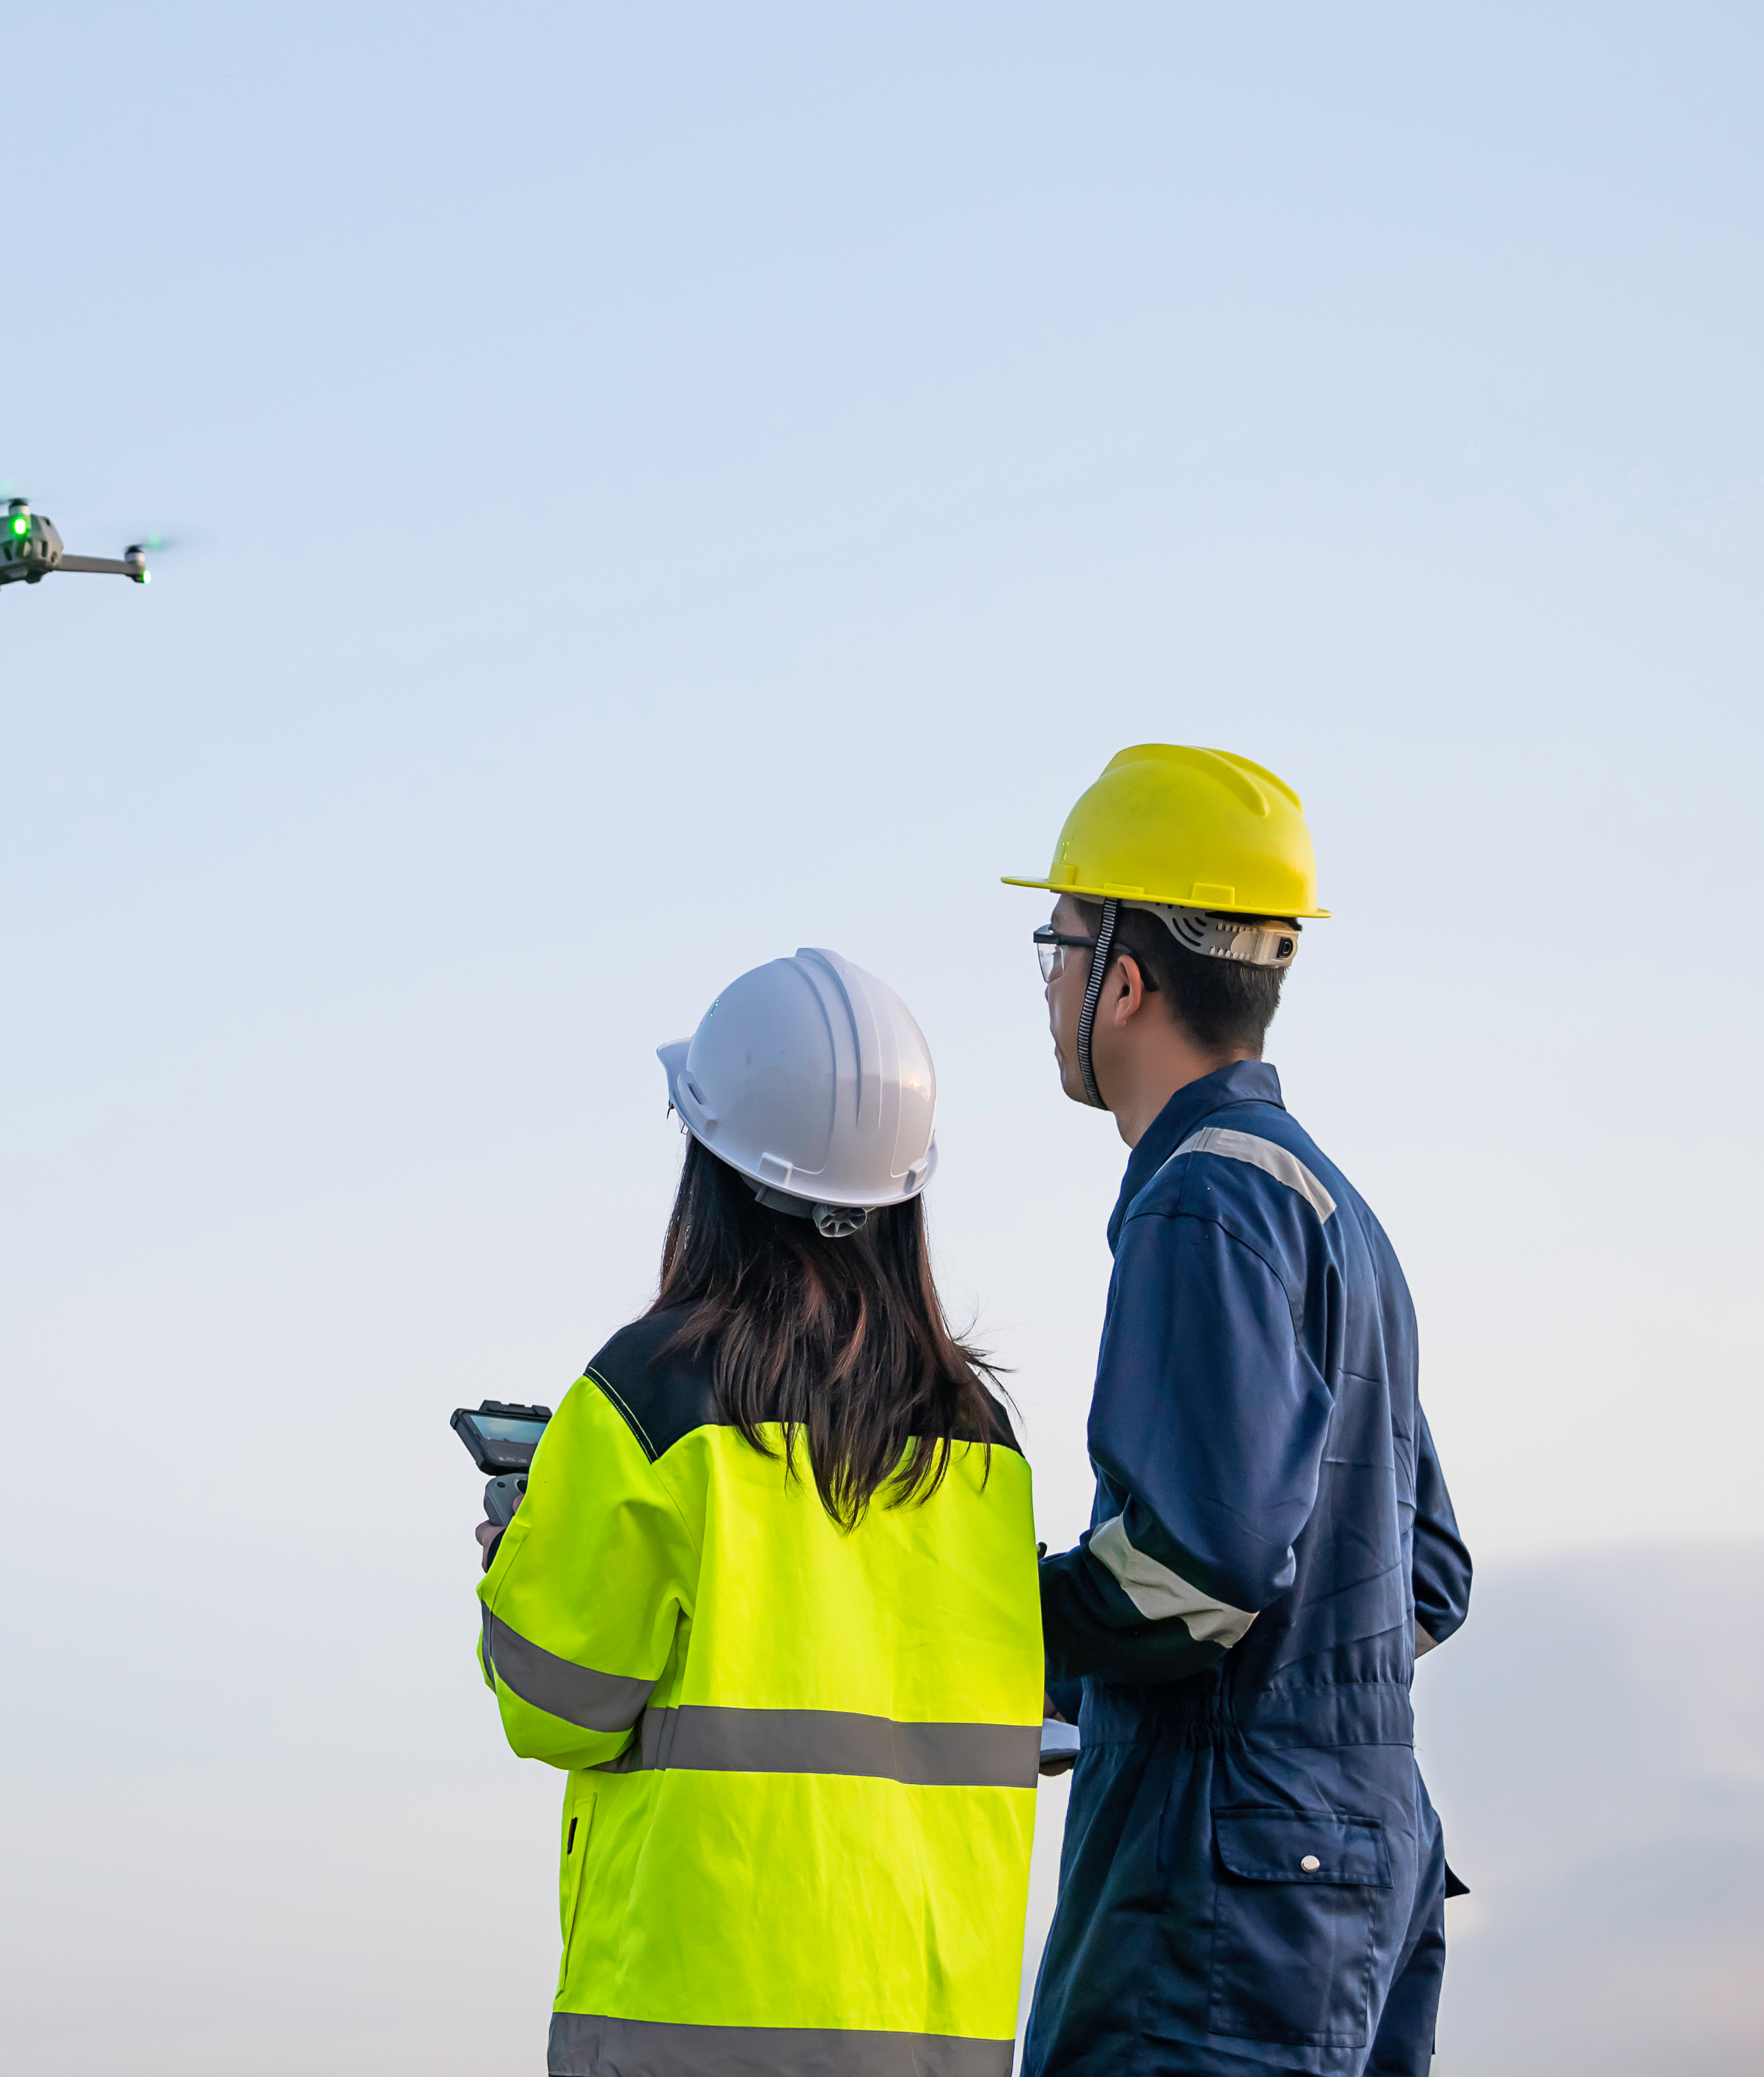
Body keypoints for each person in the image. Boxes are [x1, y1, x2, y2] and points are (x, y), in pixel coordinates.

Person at [476, 949, 1044, 2077]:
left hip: (690, 2040)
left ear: (712, 1166)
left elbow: (556, 1705)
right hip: (933, 2045)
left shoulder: (650, 1399)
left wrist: (521, 1548)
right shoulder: (984, 1443)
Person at [1007, 746, 1474, 2076]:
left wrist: (994, 1625)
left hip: (1224, 1894)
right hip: (1358, 1865)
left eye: (1058, 938)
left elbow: (1193, 1569)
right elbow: (1424, 1574)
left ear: (1126, 980)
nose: (1046, 978)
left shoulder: (1199, 1200)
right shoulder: (1332, 1209)